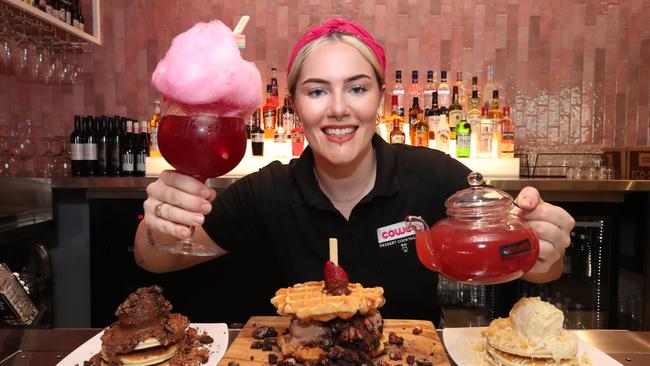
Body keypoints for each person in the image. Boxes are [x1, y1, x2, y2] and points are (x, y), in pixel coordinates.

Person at [134, 18, 575, 323]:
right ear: (295, 107)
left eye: (358, 88)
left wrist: (544, 249)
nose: (339, 109)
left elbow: (530, 264)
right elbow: (154, 259)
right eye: (317, 91)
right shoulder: (267, 191)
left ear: (381, 99)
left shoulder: (432, 176)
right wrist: (160, 227)